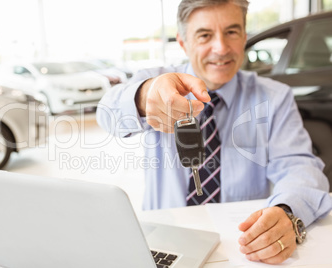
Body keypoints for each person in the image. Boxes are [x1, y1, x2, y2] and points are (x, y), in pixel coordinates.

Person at [96, 0, 332, 264]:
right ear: (183, 42)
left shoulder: (274, 97)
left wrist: (288, 211)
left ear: (244, 36)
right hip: (166, 241)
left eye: (231, 32)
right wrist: (143, 97)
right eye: (204, 35)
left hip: (242, 244)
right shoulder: (156, 81)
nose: (220, 48)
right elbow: (106, 114)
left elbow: (300, 166)